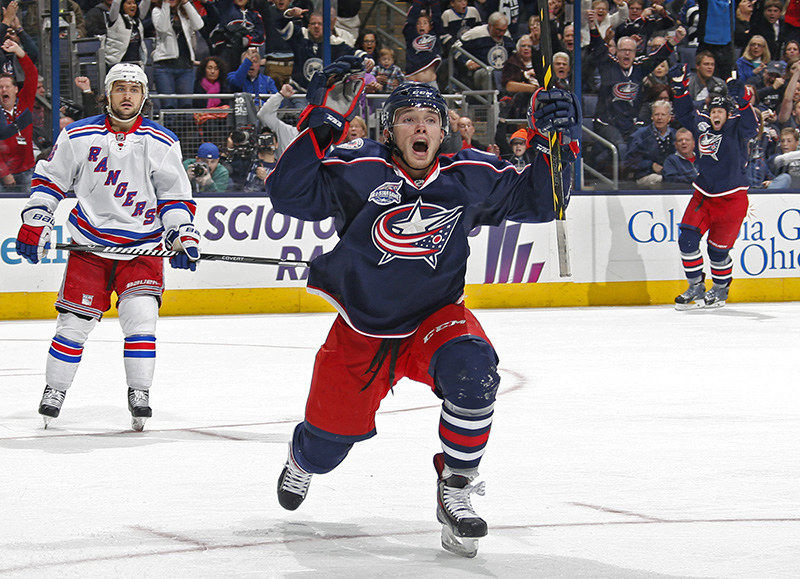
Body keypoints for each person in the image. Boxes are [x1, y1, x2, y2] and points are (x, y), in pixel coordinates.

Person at [263, 58, 580, 558]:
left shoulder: (469, 175)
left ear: (442, 131)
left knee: (474, 373)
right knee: (326, 450)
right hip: (360, 329)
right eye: (408, 117)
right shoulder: (359, 170)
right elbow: (285, 193)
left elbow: (544, 202)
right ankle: (302, 457)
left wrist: (552, 141)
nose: (420, 127)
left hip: (435, 319)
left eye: (429, 120)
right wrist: (323, 122)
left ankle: (456, 487)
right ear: (390, 129)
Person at [13, 63, 200, 430]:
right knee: (72, 324)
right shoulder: (78, 135)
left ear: (143, 97)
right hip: (90, 247)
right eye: (120, 88)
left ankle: (140, 392)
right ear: (108, 93)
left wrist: (181, 235)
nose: (127, 95)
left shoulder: (162, 141)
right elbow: (50, 180)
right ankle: (55, 389)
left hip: (141, 249)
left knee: (141, 319)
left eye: (134, 89)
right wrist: (36, 220)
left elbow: (175, 196)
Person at [670, 64, 758, 309]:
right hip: (704, 195)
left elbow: (752, 126)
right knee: (687, 241)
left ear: (728, 114)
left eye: (721, 111)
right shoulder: (702, 124)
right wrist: (679, 86)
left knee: (717, 252)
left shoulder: (738, 127)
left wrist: (742, 101)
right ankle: (695, 285)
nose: (716, 115)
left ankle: (720, 288)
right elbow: (685, 110)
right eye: (713, 110)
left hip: (732, 200)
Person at [151, 0, 204, 110]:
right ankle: (168, 127)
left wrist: (186, 3)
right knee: (168, 106)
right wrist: (166, 4)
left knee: (186, 106)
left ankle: (185, 128)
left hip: (186, 67)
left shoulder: (184, 12)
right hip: (164, 66)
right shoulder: (157, 11)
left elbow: (199, 25)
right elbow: (163, 29)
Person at [0, 39, 36, 191]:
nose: (3, 90)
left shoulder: (24, 103)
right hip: (4, 174)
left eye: (7, 86)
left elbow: (32, 75)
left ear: (15, 89)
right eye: (0, 87)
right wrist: (4, 172)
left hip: (27, 170)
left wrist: (19, 52)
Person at [625, 99, 676, 184]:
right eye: (656, 114)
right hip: (646, 175)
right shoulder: (640, 135)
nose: (659, 118)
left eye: (663, 115)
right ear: (652, 116)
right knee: (660, 179)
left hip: (671, 174)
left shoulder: (676, 135)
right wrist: (651, 165)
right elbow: (630, 161)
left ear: (669, 117)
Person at [103, 0, 150, 66]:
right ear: (121, 6)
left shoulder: (137, 20)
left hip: (136, 64)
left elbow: (146, 2)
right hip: (117, 64)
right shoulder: (115, 18)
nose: (133, 5)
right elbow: (116, 3)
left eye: (134, 3)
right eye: (129, 3)